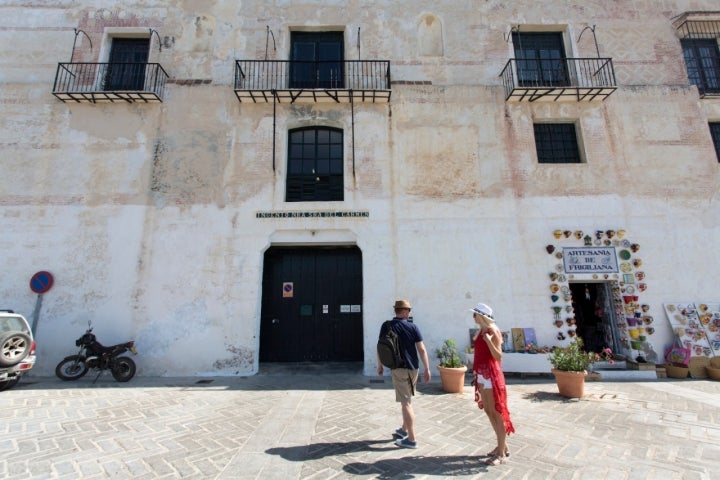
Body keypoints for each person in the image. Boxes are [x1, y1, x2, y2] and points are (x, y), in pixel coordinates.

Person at [377, 299, 431, 449]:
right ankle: (403, 430)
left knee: (405, 402)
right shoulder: (413, 327)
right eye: (409, 310)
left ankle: (412, 439)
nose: (410, 312)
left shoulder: (386, 325)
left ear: (396, 310)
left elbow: (380, 346)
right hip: (413, 368)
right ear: (405, 311)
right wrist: (427, 368)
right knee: (407, 399)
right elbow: (421, 349)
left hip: (399, 369)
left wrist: (380, 364)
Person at [470, 302, 515, 466]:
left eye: (475, 314)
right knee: (488, 410)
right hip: (482, 373)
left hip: (491, 374)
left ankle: (501, 454)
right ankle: (502, 445)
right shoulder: (480, 331)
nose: (473, 317)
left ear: (481, 316)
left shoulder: (492, 331)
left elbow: (498, 356)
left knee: (497, 411)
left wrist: (489, 341)